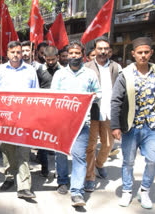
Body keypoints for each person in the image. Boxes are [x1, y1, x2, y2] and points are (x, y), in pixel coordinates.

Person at [111, 37, 155, 209]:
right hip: (131, 126)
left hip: (151, 126)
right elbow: (116, 100)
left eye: (147, 52)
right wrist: (115, 126)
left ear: (151, 53)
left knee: (153, 159)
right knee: (128, 161)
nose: (143, 56)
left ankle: (144, 190)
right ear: (133, 54)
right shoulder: (126, 74)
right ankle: (127, 190)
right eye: (140, 53)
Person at [51, 40, 101, 207]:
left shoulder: (90, 74)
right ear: (67, 55)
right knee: (61, 153)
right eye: (71, 53)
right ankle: (63, 181)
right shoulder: (59, 74)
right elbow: (53, 97)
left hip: (82, 123)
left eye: (77, 53)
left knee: (79, 156)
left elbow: (98, 93)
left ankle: (77, 193)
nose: (74, 56)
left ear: (82, 54)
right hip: (62, 122)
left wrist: (92, 96)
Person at [0, 41, 39, 199]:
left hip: (25, 118)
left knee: (23, 152)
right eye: (13, 52)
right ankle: (9, 177)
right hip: (4, 118)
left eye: (18, 52)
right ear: (7, 53)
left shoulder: (30, 70)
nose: (16, 55)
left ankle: (24, 186)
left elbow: (36, 95)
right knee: (7, 150)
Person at [84, 36, 121, 192]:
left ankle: (99, 164)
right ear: (94, 50)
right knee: (91, 146)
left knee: (108, 144)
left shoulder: (116, 67)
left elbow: (121, 90)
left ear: (109, 51)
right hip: (92, 112)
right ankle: (90, 177)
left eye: (106, 49)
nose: (103, 52)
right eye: (100, 49)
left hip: (109, 111)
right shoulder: (86, 67)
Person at [36, 45, 63, 177]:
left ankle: (59, 170)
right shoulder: (39, 71)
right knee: (42, 142)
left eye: (53, 59)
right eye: (48, 59)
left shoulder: (63, 71)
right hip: (43, 111)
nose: (51, 62)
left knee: (58, 142)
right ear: (44, 57)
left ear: (57, 57)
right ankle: (44, 168)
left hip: (59, 111)